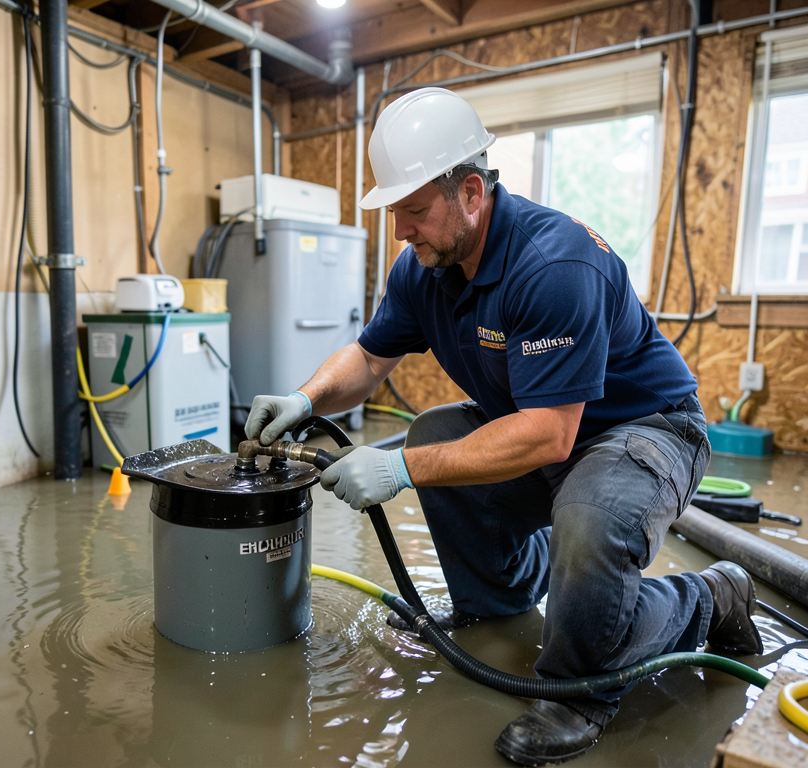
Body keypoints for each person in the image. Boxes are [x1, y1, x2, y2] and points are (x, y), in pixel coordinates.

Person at [244, 87, 763, 766]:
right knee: (434, 433)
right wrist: (307, 397)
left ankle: (657, 633)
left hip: (644, 430)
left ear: (470, 192)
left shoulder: (553, 264)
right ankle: (504, 599)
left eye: (413, 211)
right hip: (552, 433)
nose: (400, 230)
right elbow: (371, 356)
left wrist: (397, 468)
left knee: (589, 514)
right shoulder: (426, 266)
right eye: (394, 212)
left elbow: (550, 434)